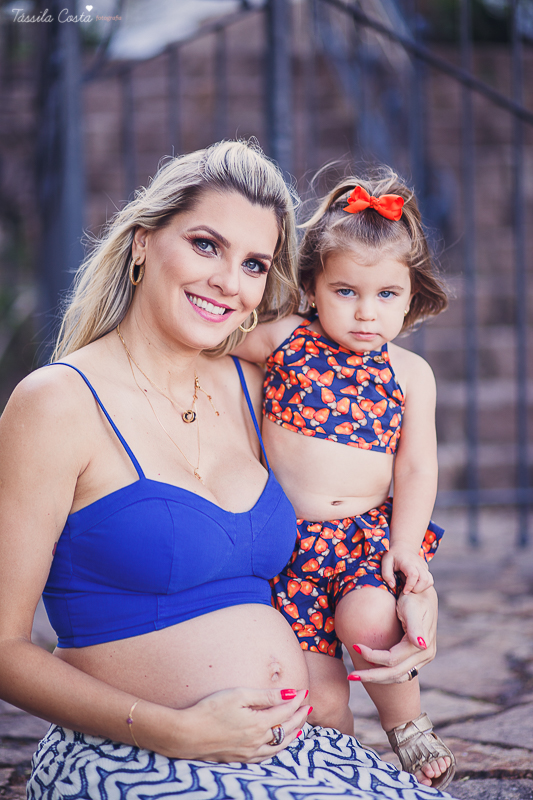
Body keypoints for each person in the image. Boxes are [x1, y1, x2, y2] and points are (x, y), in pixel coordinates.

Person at [0, 141, 457, 800]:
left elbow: (358, 495)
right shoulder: (57, 403)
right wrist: (171, 730)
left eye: (253, 264)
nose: (227, 282)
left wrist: (412, 588)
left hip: (303, 751)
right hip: (137, 755)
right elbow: (5, 649)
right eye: (205, 245)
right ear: (141, 242)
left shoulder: (259, 388)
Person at [232, 169, 455, 790]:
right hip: (289, 547)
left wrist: (406, 546)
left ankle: (407, 725)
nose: (365, 312)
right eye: (346, 291)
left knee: (374, 623)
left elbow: (416, 467)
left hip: (363, 540)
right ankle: (340, 764)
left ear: (410, 297)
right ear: (311, 287)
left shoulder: (409, 373)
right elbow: (210, 346)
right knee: (320, 696)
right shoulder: (285, 341)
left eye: (386, 294)